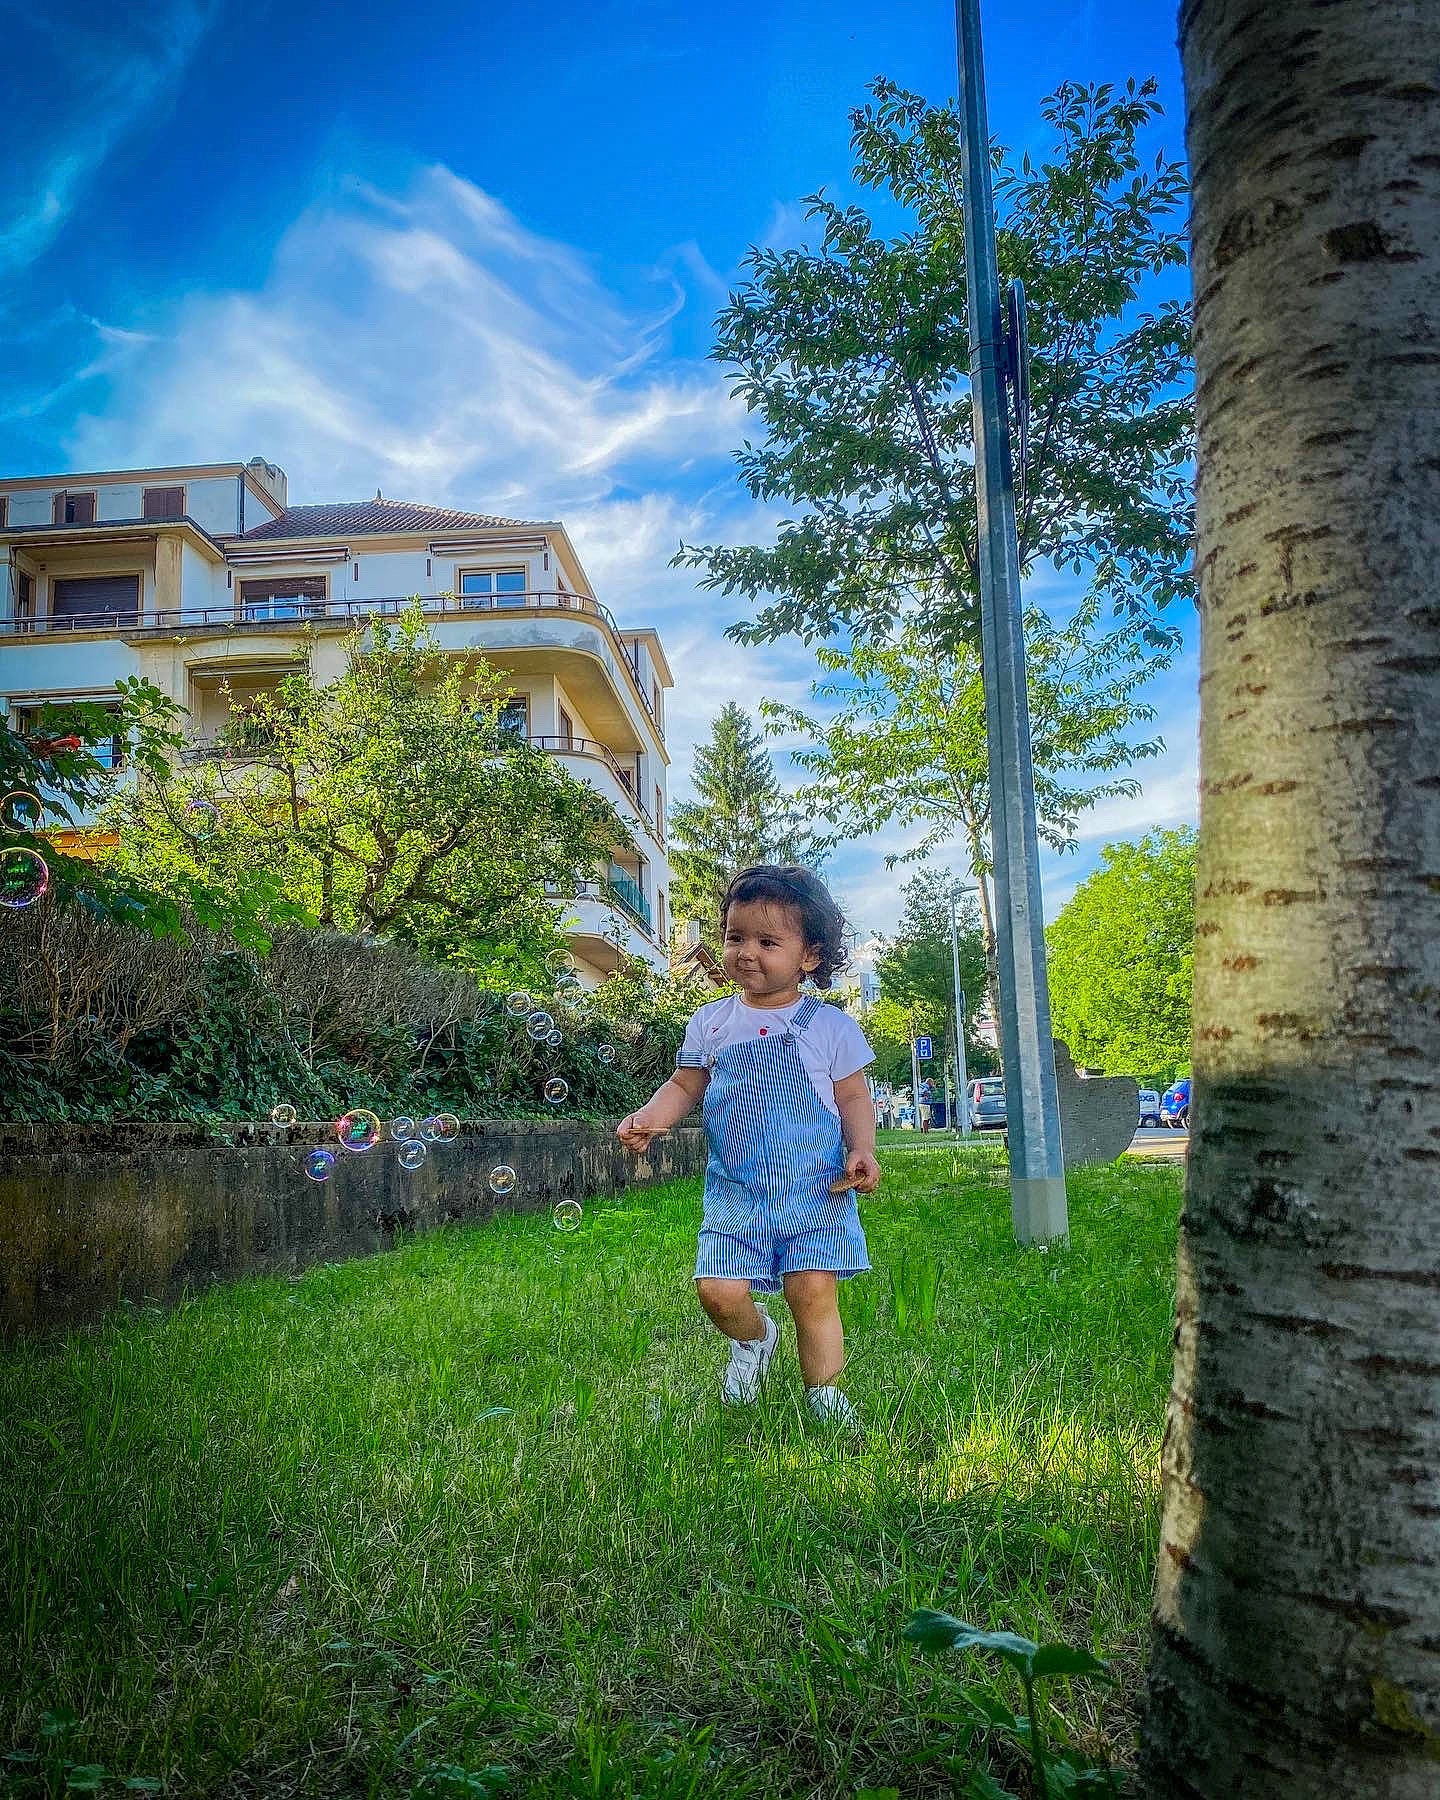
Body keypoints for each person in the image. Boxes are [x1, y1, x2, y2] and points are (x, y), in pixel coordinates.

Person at [617, 865, 881, 1429]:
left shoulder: (829, 1025)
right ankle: (754, 1340)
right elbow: (686, 1085)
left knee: (813, 1293)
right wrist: (649, 1119)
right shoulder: (711, 1023)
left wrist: (862, 1148)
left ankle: (827, 1398)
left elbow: (856, 1097)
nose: (746, 952)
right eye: (736, 937)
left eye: (767, 941)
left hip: (816, 1191)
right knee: (716, 1291)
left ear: (808, 956)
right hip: (735, 1192)